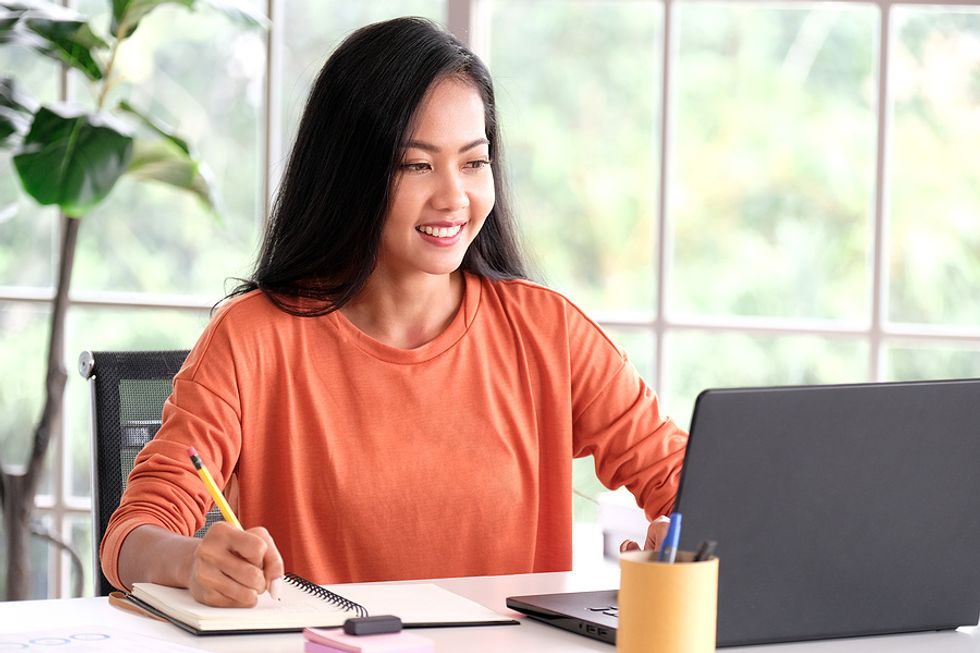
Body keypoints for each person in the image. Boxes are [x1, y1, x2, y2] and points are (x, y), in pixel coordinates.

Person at [101, 16, 687, 609]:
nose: (454, 196)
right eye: (416, 165)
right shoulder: (253, 338)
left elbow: (685, 482)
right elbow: (131, 536)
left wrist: (686, 536)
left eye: (473, 162)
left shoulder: (549, 333)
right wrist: (193, 559)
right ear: (349, 173)